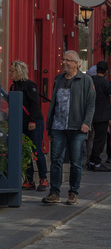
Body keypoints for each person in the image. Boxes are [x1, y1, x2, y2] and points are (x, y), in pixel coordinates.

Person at [42, 50, 95, 206]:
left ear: (76, 64)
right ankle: (54, 192)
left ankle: (73, 193)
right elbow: (54, 104)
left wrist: (87, 122)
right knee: (56, 160)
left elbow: (91, 103)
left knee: (76, 162)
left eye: (68, 60)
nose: (64, 62)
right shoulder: (58, 79)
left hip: (77, 127)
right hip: (58, 126)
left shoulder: (86, 80)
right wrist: (50, 127)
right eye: (63, 59)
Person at [9, 60, 48, 191]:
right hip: (20, 123)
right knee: (25, 152)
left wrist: (32, 121)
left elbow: (35, 105)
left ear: (19, 71)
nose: (10, 73)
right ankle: (29, 180)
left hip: (34, 122)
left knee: (36, 150)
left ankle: (43, 178)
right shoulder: (13, 87)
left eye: (13, 71)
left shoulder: (30, 85)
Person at [87, 61, 111, 172]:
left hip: (92, 113)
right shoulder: (103, 82)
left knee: (93, 139)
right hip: (102, 114)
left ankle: (92, 161)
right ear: (106, 71)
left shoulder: (92, 81)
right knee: (100, 140)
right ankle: (96, 162)